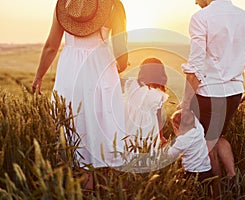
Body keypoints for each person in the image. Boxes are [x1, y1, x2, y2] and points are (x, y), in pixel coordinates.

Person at [32, 0, 128, 189]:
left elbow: (51, 46)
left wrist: (39, 76)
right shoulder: (114, 5)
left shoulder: (64, 4)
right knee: (103, 123)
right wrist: (120, 65)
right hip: (100, 67)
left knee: (75, 123)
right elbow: (121, 50)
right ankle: (109, 187)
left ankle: (83, 186)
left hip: (70, 70)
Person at [180, 0, 245, 179]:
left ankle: (214, 190)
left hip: (208, 93)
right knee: (217, 135)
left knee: (205, 141)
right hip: (234, 93)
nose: (195, 2)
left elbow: (195, 67)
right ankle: (232, 178)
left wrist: (185, 103)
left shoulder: (201, 18)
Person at [123, 58, 169, 158]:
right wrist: (161, 137)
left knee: (129, 147)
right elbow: (158, 118)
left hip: (129, 125)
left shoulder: (133, 84)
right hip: (147, 128)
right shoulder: (157, 95)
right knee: (147, 149)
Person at [167, 109, 212, 183]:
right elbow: (192, 114)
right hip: (207, 169)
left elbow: (169, 154)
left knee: (192, 192)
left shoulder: (183, 140)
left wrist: (166, 146)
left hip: (192, 173)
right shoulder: (198, 129)